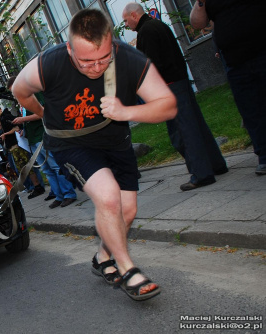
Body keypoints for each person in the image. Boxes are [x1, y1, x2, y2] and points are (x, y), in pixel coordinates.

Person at [12, 9, 177, 300]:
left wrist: (126, 111)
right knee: (108, 197)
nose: (95, 67)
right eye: (85, 61)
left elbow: (167, 105)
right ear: (69, 49)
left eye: (103, 58)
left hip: (115, 142)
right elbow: (19, 90)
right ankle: (128, 270)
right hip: (70, 143)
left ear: (112, 43)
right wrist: (44, 113)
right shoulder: (48, 64)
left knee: (126, 211)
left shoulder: (129, 59)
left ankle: (103, 256)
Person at [122, 3, 228, 191]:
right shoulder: (158, 25)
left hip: (168, 88)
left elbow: (152, 66)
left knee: (182, 132)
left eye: (125, 20)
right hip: (180, 81)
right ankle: (216, 164)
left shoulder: (146, 31)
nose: (125, 24)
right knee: (196, 125)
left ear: (134, 15)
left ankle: (201, 174)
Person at [190, 1, 266, 175]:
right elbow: (197, 23)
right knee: (250, 111)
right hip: (235, 60)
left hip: (261, 49)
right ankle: (264, 154)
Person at [7, 76, 78, 208]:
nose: (14, 94)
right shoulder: (23, 100)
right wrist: (24, 128)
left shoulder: (33, 93)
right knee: (47, 169)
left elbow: (43, 112)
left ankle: (69, 194)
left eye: (14, 90)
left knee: (55, 166)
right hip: (33, 138)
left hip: (42, 136)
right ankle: (59, 195)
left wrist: (23, 120)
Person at [0, 105, 46, 199]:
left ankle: (37, 186)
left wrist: (6, 134)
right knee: (23, 168)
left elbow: (17, 127)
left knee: (26, 167)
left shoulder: (6, 117)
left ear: (0, 109)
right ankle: (35, 186)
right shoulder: (3, 118)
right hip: (13, 147)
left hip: (17, 146)